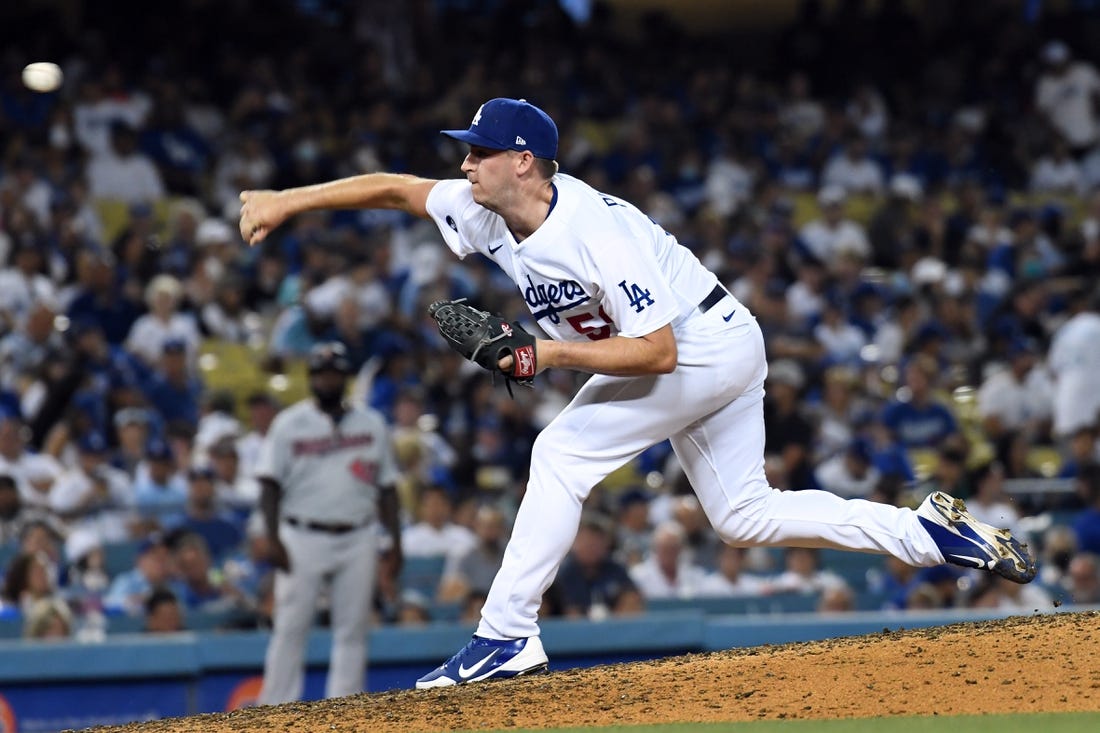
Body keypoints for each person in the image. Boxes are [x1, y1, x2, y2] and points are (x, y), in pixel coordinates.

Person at [238, 97, 1038, 689]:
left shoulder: (592, 227)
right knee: (743, 515)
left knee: (558, 451)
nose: (464, 162)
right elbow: (393, 190)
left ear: (525, 160)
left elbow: (657, 352)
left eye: (479, 150)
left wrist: (541, 354)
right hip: (712, 344)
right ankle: (930, 532)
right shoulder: (483, 210)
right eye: (466, 150)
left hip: (703, 345)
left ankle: (507, 634)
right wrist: (286, 202)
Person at [253, 341, 402, 704]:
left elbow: (387, 488)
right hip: (301, 534)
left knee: (353, 629)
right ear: (311, 378)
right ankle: (274, 709)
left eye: (335, 372)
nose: (328, 379)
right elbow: (269, 483)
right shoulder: (290, 423)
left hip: (358, 533)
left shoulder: (371, 422)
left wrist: (395, 542)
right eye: (321, 373)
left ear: (346, 377)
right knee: (290, 626)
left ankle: (345, 709)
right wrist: (273, 537)